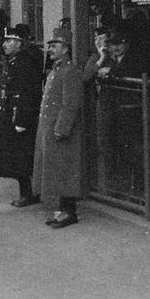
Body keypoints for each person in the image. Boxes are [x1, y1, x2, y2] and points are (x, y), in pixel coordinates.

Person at [31, 27, 84, 228]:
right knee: (54, 170)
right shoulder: (57, 69)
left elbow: (70, 104)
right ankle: (60, 209)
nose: (50, 49)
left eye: (55, 46)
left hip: (60, 129)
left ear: (66, 48)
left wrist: (62, 128)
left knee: (65, 171)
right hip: (49, 127)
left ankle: (69, 211)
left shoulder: (70, 71)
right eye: (50, 46)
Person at [0, 24, 44, 207]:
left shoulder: (24, 63)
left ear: (18, 43)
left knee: (22, 156)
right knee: (17, 156)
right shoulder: (15, 61)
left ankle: (29, 193)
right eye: (5, 41)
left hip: (20, 116)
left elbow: (27, 92)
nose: (5, 45)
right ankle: (27, 191)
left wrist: (22, 119)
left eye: (9, 41)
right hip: (12, 113)